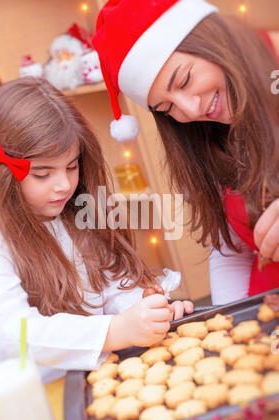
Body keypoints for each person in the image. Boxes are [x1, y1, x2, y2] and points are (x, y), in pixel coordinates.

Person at [0, 77, 193, 382]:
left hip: (104, 374)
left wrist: (148, 311)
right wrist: (114, 331)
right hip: (43, 391)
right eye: (42, 173)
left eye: (71, 166)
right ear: (4, 174)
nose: (64, 185)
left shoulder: (76, 209)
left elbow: (107, 285)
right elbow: (15, 333)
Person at [92, 0, 279, 305]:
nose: (191, 110)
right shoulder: (210, 137)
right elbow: (230, 254)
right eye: (167, 108)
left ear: (210, 40)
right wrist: (228, 323)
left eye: (185, 80)